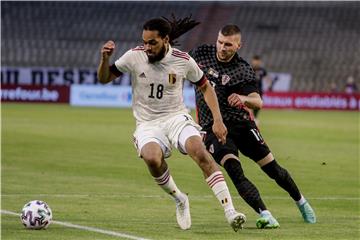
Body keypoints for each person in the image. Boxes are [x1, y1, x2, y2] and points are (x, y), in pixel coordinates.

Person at [97, 17, 246, 231]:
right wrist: (104, 59)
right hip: (148, 123)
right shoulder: (134, 56)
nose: (147, 47)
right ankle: (179, 199)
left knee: (200, 151)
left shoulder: (182, 60)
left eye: (152, 43)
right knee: (151, 158)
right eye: (145, 42)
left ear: (165, 39)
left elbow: (206, 87)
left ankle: (230, 212)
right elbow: (104, 78)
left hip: (176, 117)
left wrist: (218, 120)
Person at [189, 24, 316, 228]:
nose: (222, 47)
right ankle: (265, 214)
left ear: (238, 45)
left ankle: (301, 202)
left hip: (241, 124)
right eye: (220, 42)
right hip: (213, 126)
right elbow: (176, 62)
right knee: (234, 170)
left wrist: (242, 98)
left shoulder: (243, 69)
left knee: (273, 169)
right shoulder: (201, 53)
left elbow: (258, 102)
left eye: (228, 44)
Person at [251, 55, 267, 124]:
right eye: (255, 61)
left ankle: (255, 117)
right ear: (253, 61)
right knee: (249, 104)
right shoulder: (249, 69)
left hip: (259, 90)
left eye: (257, 61)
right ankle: (249, 117)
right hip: (251, 89)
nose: (256, 63)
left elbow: (266, 77)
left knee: (258, 104)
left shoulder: (262, 70)